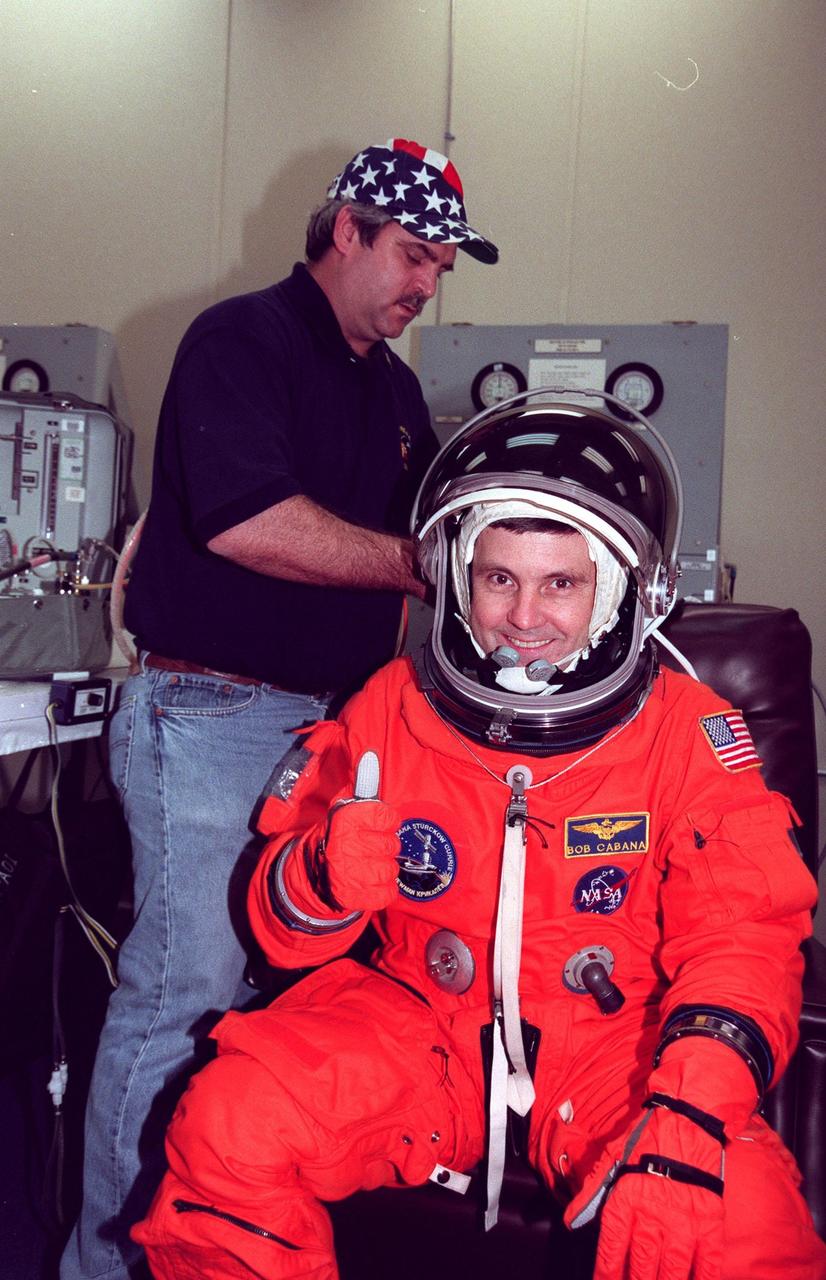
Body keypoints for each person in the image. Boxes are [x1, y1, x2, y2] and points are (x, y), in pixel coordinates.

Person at [133, 398, 826, 1279]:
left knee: (737, 1228)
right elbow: (278, 928)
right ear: (461, 577)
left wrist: (691, 1110)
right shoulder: (392, 704)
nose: (523, 617)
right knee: (228, 1126)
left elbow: (744, 936)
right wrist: (320, 876)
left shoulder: (686, 731)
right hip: (420, 1022)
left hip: (620, 1044)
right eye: (500, 578)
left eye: (561, 584)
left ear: (618, 590)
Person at [60, 137, 498, 1280]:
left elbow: (442, 542)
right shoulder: (240, 341)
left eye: (443, 265)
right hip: (210, 715)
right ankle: (105, 1264)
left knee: (301, 1007)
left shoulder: (395, 391)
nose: (425, 284)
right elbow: (249, 520)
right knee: (184, 991)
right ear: (343, 230)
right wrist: (420, 563)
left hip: (330, 733)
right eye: (411, 254)